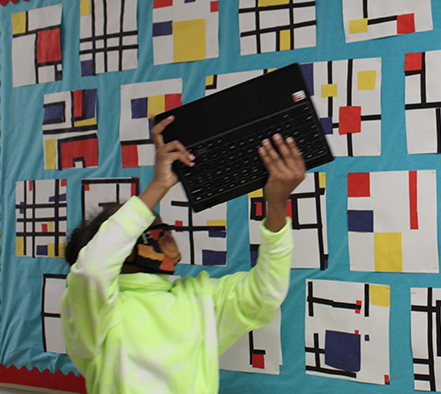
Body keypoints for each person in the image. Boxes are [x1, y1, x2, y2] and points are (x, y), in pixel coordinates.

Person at [61, 116, 305, 393]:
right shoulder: (94, 311)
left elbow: (265, 293)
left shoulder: (197, 296)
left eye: (161, 225)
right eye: (143, 227)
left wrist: (276, 204)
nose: (164, 233)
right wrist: (158, 187)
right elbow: (93, 269)